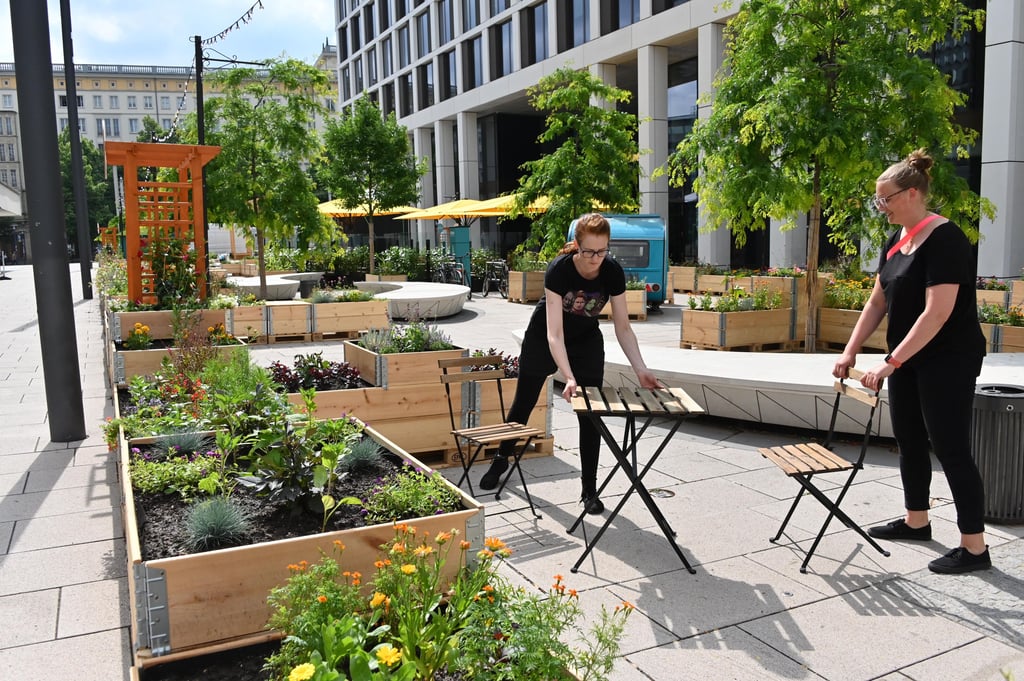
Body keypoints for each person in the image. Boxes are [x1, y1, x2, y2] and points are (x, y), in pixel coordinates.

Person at [833, 149, 990, 574]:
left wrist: (890, 362)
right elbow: (877, 300)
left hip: (948, 358)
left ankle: (975, 548)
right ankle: (916, 520)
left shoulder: (947, 239)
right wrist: (850, 350)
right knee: (909, 440)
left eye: (886, 198)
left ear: (914, 193)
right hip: (907, 359)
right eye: (877, 199)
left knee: (951, 447)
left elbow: (937, 312)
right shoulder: (897, 240)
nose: (879, 206)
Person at [479, 213, 661, 514]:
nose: (595, 258)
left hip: (586, 340)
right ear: (576, 245)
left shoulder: (612, 272)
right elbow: (554, 333)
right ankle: (501, 459)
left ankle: (589, 489)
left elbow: (623, 327)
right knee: (523, 403)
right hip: (544, 337)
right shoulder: (559, 270)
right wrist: (568, 376)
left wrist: (641, 368)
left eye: (602, 251)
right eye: (589, 251)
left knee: (590, 415)